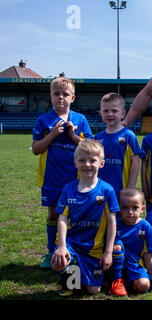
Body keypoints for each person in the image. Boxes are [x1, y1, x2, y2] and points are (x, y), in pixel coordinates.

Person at [32, 76, 93, 269]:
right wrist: (52, 135)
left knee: (73, 216)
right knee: (53, 216)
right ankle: (51, 252)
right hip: (51, 178)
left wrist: (73, 136)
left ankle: (72, 251)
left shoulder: (80, 119)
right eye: (56, 94)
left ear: (72, 98)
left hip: (75, 178)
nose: (61, 98)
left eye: (65, 94)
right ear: (50, 96)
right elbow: (36, 149)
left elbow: (90, 148)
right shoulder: (43, 120)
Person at [50, 139, 119, 296]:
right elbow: (62, 219)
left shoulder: (107, 190)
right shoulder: (68, 189)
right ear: (75, 163)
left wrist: (108, 252)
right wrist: (61, 246)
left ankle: (79, 275)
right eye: (82, 160)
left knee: (93, 291)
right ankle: (69, 279)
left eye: (92, 160)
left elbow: (111, 222)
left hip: (93, 249)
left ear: (101, 163)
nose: (87, 164)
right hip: (71, 244)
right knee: (58, 263)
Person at [111, 187, 152, 295]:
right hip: (115, 263)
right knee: (117, 246)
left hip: (135, 263)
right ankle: (116, 280)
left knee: (144, 285)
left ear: (142, 208)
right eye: (125, 207)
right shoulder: (114, 225)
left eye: (135, 208)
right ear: (119, 208)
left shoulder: (146, 227)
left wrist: (151, 277)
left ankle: (129, 284)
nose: (130, 212)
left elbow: (148, 254)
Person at [94, 93, 141, 200]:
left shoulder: (129, 136)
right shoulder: (97, 137)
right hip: (100, 189)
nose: (110, 114)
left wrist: (131, 187)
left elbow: (135, 162)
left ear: (123, 113)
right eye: (105, 111)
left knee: (122, 216)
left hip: (122, 189)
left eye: (114, 111)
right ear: (101, 113)